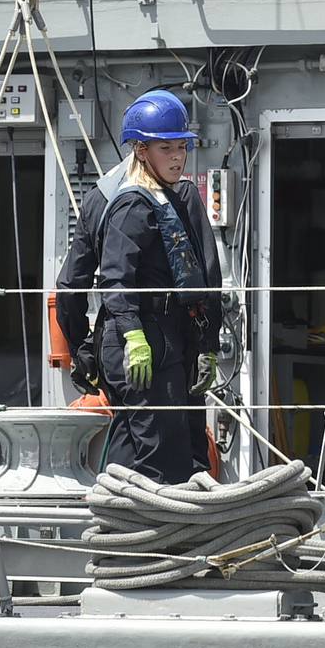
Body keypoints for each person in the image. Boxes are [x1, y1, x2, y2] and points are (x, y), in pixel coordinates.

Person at [91, 91, 223, 484]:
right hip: (142, 337)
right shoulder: (133, 204)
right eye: (167, 147)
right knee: (155, 454)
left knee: (182, 448)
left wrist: (206, 346)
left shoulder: (173, 198)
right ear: (141, 149)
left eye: (182, 146)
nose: (178, 156)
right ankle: (137, 538)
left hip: (172, 334)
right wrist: (133, 335)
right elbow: (115, 276)